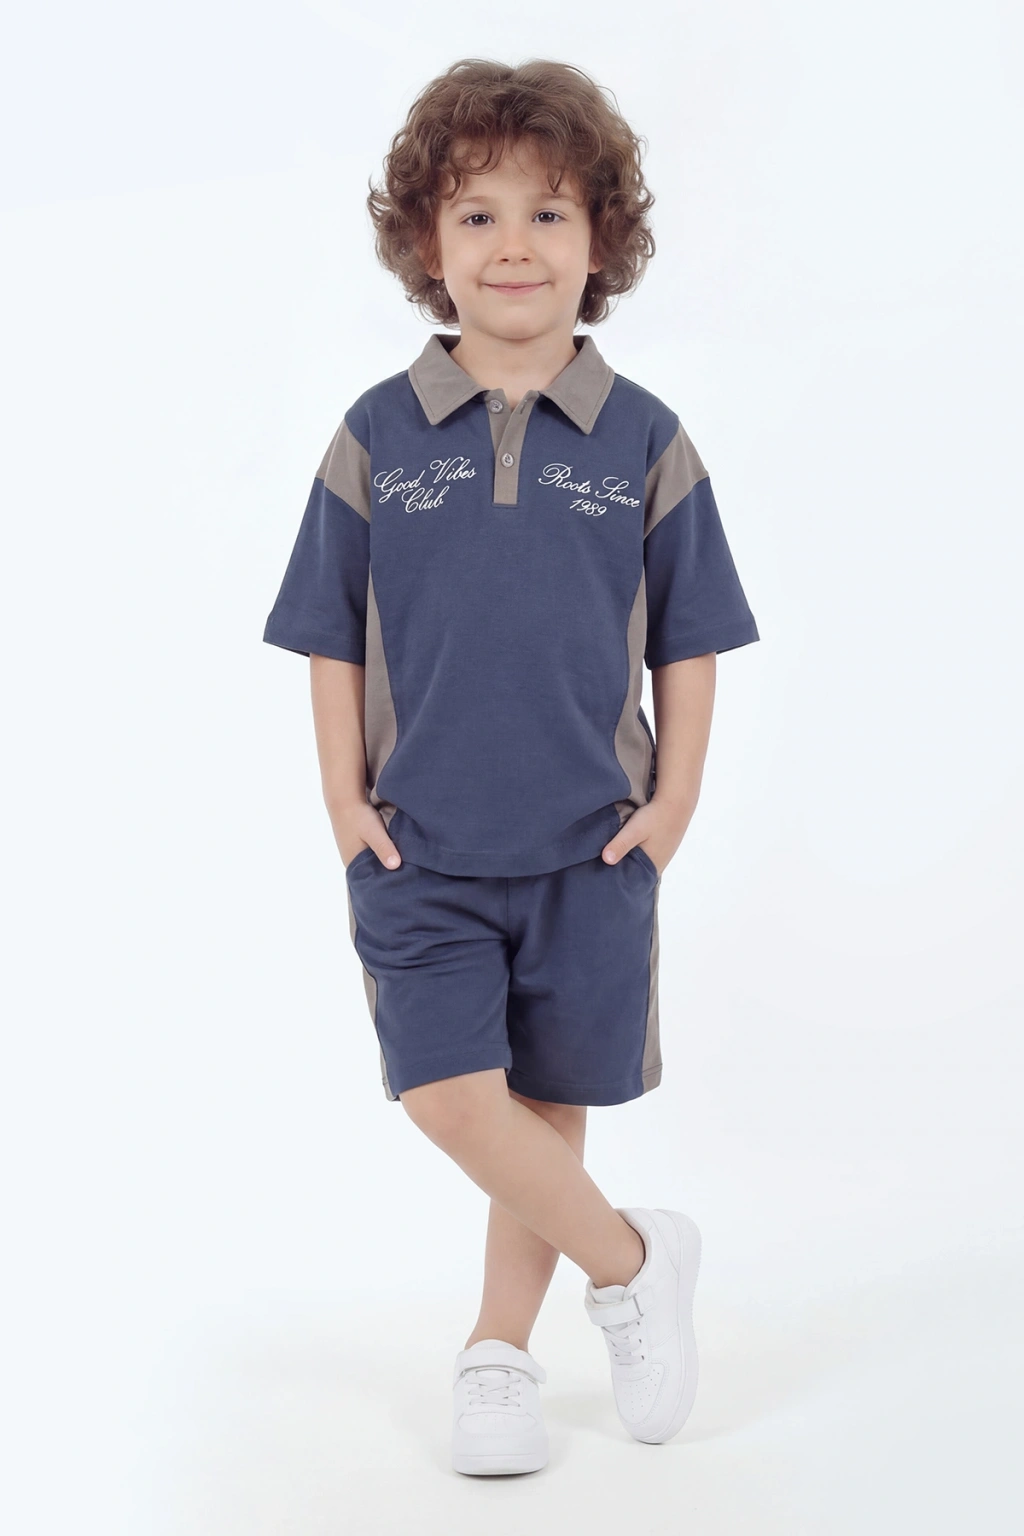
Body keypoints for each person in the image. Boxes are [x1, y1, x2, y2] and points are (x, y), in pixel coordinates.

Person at [263, 57, 760, 1477]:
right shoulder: (375, 434)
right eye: (476, 215)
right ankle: (635, 1262)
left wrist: (675, 805)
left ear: (602, 240)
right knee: (448, 1095)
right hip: (415, 845)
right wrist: (343, 801)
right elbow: (328, 636)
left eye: (549, 212)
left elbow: (692, 639)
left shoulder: (646, 439)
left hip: (591, 847)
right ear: (427, 241)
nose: (514, 246)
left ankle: (498, 1353)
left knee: (543, 1106)